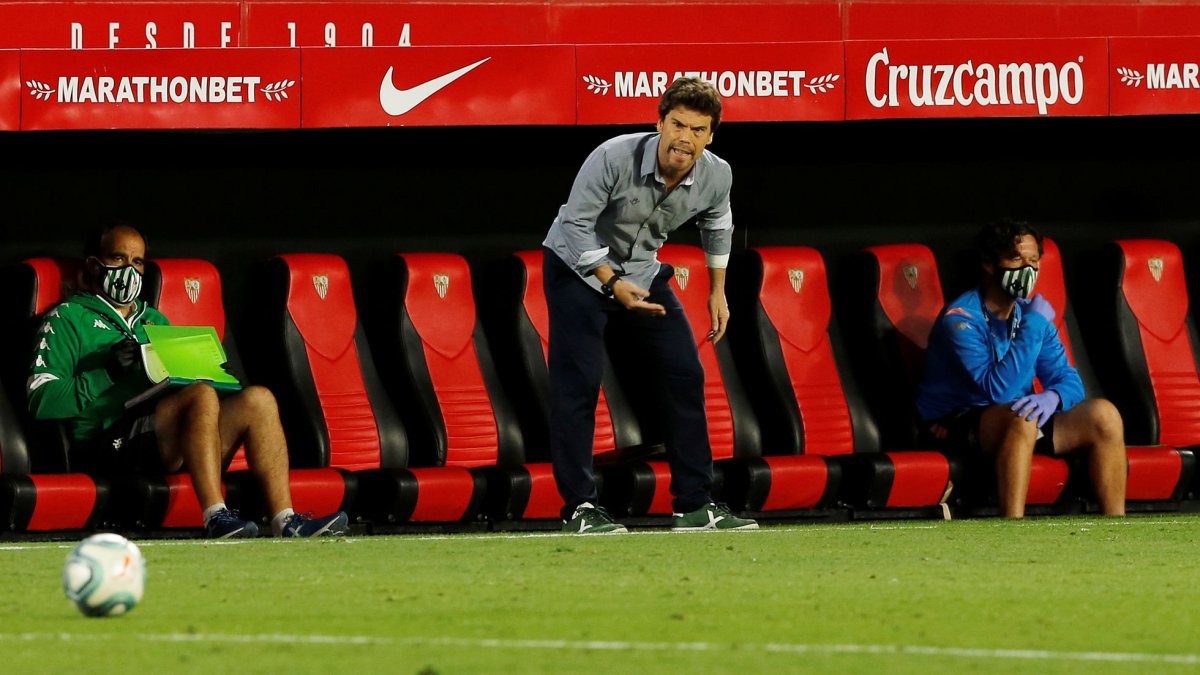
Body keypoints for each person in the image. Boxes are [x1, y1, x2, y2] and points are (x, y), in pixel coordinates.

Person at [26, 224, 349, 538]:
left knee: (258, 399)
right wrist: (107, 372)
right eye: (117, 258)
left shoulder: (154, 319)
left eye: (137, 262)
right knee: (200, 394)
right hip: (109, 443)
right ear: (93, 264)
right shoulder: (67, 317)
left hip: (164, 435)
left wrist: (210, 371)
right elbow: (42, 401)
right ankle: (215, 516)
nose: (129, 270)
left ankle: (286, 520)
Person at [542, 77, 758, 534]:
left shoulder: (717, 173)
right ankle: (580, 508)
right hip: (578, 270)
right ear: (659, 122)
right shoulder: (612, 156)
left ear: (711, 135)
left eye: (698, 130)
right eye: (678, 124)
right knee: (577, 383)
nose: (686, 138)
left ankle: (695, 506)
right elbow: (576, 225)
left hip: (641, 271)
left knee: (684, 374)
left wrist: (718, 291)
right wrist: (609, 282)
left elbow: (719, 226)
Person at [916, 219, 1127, 518]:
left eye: (1033, 261)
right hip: (956, 422)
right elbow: (998, 389)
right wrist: (1034, 325)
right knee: (1024, 417)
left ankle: (1117, 528)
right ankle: (1013, 528)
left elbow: (1069, 380)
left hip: (1016, 416)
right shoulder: (961, 319)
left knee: (1104, 415)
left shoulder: (1029, 314)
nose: (1027, 270)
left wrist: (1052, 397)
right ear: (990, 264)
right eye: (1016, 260)